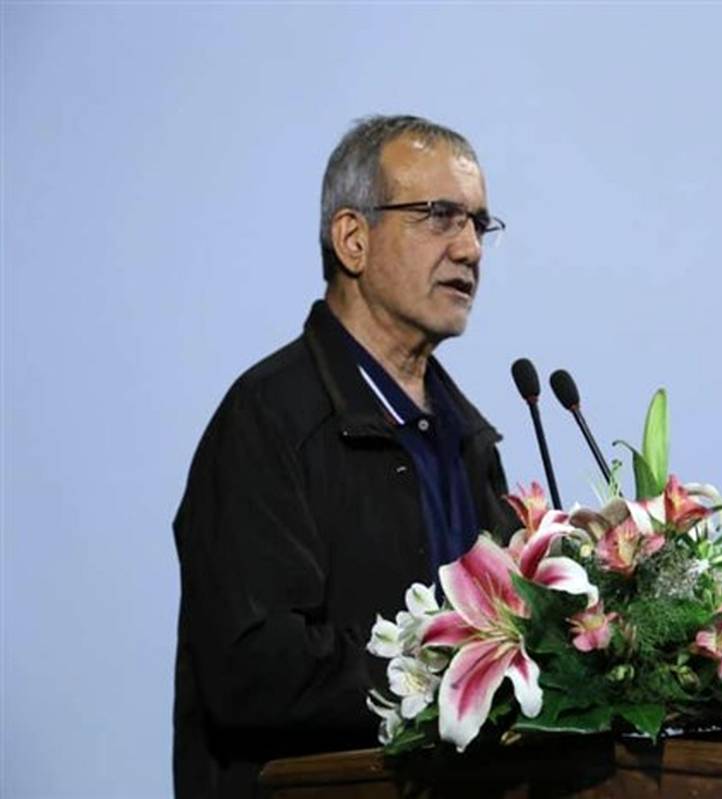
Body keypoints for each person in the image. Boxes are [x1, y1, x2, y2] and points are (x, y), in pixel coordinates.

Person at [172, 115, 518, 798]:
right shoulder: (269, 420)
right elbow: (253, 669)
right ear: (353, 239)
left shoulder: (465, 439)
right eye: (440, 216)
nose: (470, 248)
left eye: (480, 224)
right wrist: (446, 667)